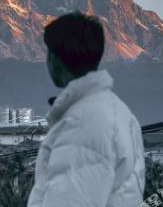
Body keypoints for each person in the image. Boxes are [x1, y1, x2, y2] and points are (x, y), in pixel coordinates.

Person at [27, 12, 145, 207]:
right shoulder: (119, 112)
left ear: (55, 59)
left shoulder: (82, 122)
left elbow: (69, 200)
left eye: (47, 53)